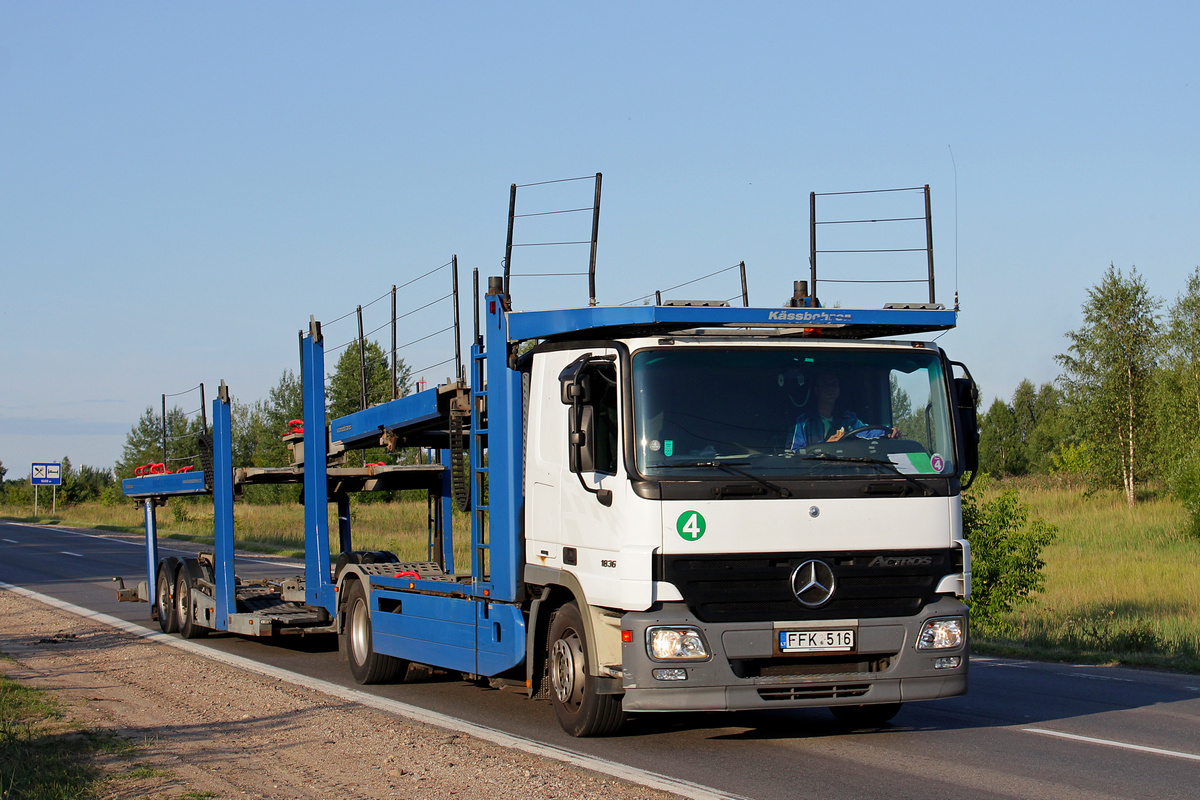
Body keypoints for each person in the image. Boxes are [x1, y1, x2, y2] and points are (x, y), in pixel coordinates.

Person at [789, 371, 898, 449]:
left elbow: (868, 432)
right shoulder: (803, 422)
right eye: (825, 385)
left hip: (847, 471)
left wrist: (888, 431)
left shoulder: (849, 419)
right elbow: (795, 453)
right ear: (816, 390)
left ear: (839, 390)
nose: (830, 389)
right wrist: (824, 446)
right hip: (813, 474)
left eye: (834, 385)